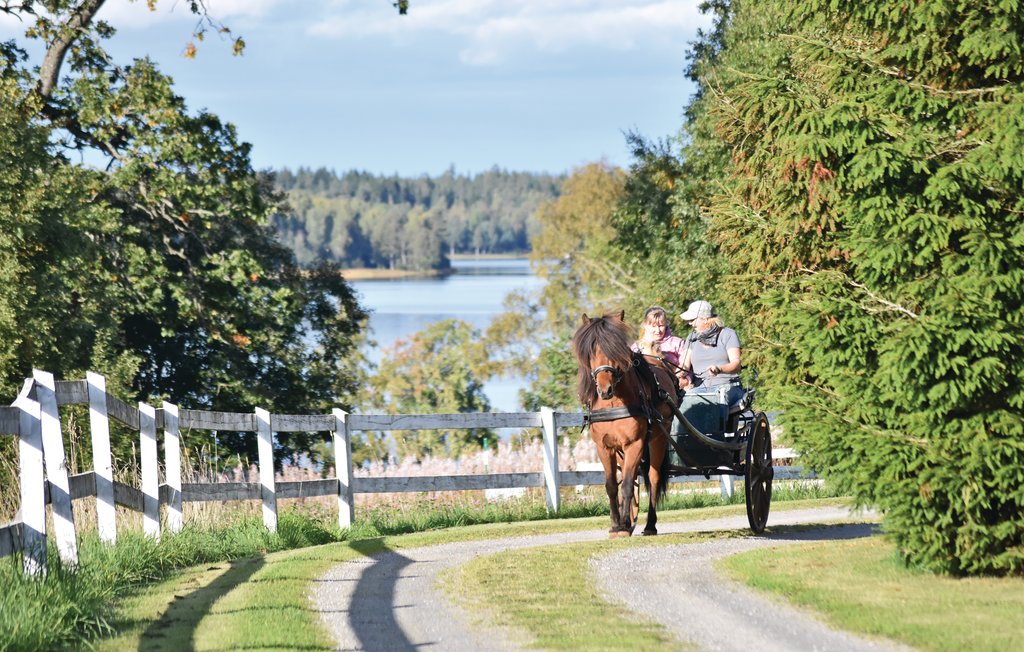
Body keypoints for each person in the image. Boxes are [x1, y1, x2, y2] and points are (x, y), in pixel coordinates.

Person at [677, 300, 745, 406]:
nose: (689, 323)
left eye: (692, 319)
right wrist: (680, 372)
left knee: (711, 404)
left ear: (704, 319)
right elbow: (685, 365)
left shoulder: (727, 334)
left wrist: (719, 369)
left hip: (727, 386)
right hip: (699, 388)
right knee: (680, 404)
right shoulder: (692, 338)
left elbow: (736, 364)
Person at [631, 306, 690, 388]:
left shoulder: (677, 343)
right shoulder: (637, 347)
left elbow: (686, 367)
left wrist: (683, 377)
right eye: (654, 326)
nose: (658, 330)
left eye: (661, 325)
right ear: (645, 325)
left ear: (666, 324)